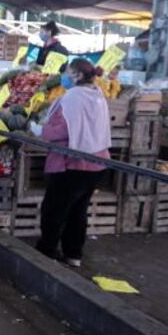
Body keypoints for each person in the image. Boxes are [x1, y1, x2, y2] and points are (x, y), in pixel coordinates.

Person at [32, 58, 111, 267]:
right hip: (97, 162)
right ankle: (73, 254)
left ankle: (46, 251)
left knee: (55, 210)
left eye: (67, 72)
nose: (63, 77)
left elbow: (61, 130)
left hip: (72, 164)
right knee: (78, 210)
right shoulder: (97, 93)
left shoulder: (73, 97)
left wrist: (38, 130)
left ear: (76, 74)